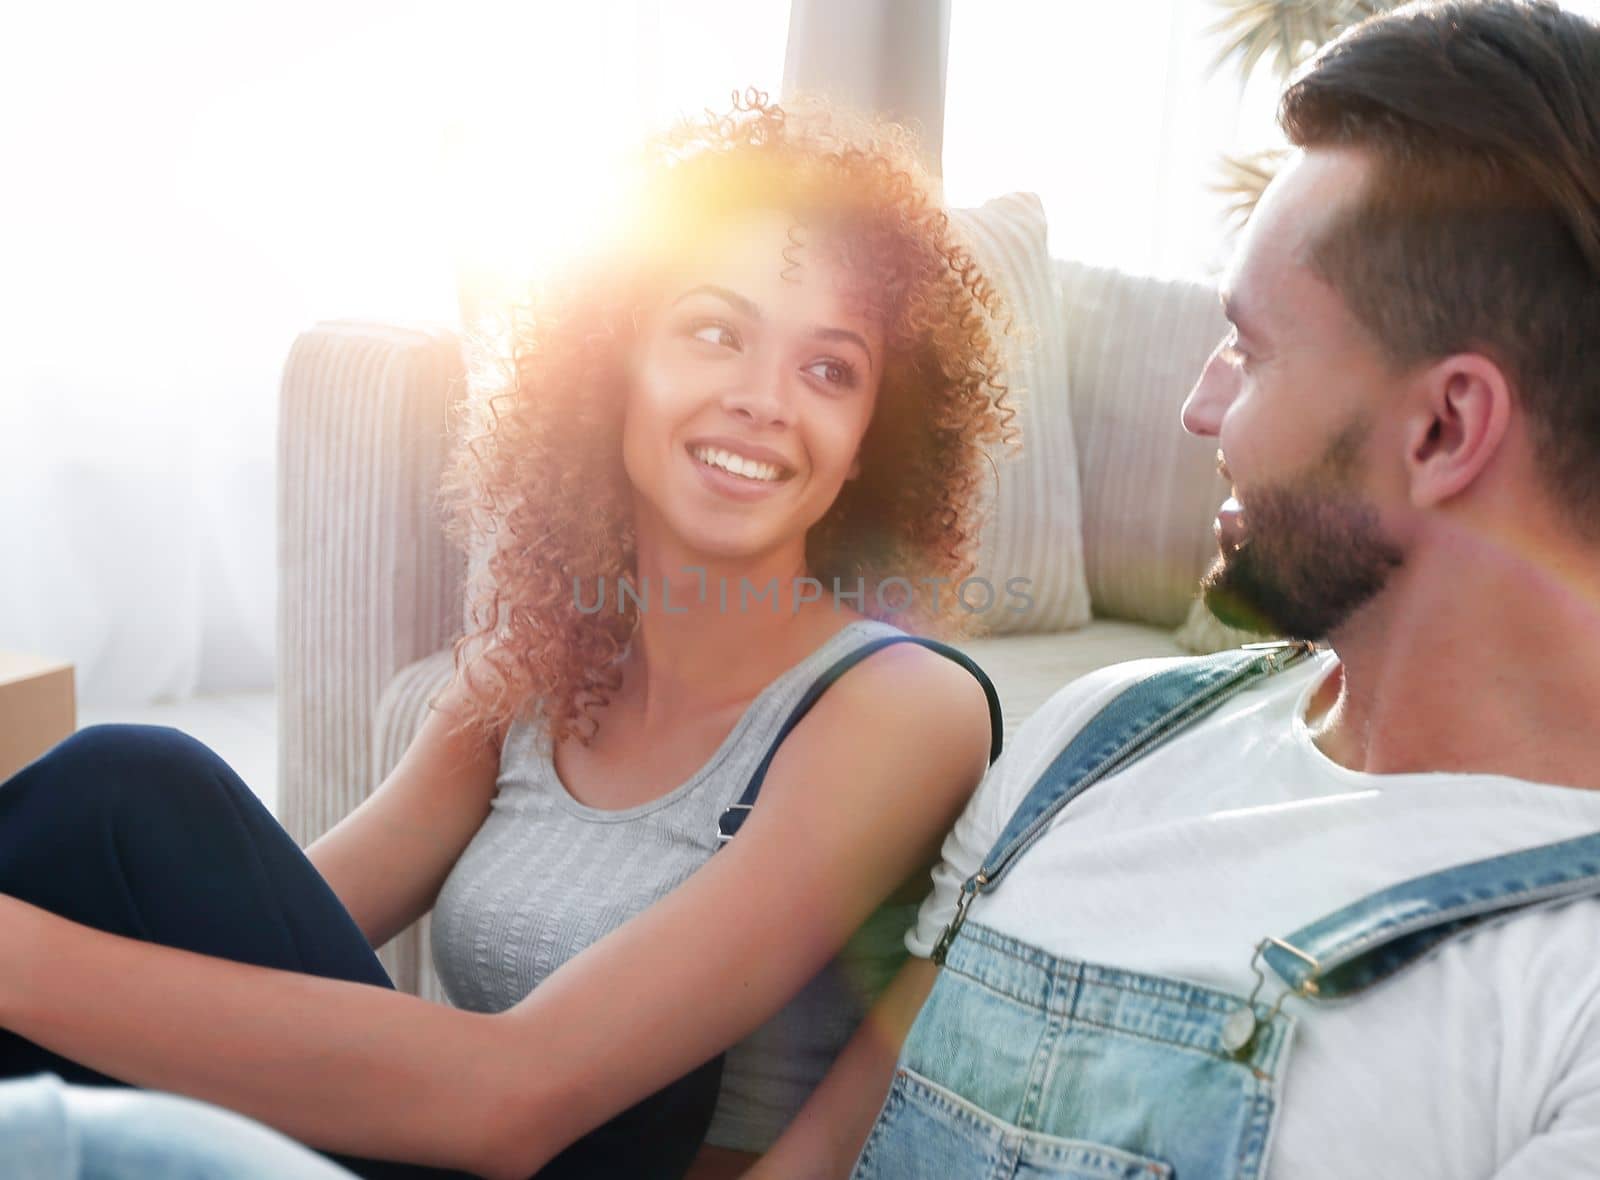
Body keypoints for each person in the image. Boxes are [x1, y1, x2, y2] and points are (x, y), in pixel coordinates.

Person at [0, 94, 1016, 1180]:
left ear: (868, 441)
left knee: (131, 784)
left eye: (829, 369)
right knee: (130, 806)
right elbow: (249, 926)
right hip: (422, 1149)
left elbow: (514, 1098)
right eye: (715, 331)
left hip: (535, 1142)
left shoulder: (900, 705)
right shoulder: (535, 667)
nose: (765, 400)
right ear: (614, 362)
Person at [753, 3, 1600, 1177]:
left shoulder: (1567, 1000)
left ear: (1444, 426)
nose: (1199, 408)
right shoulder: (1094, 743)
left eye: (1250, 352)